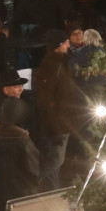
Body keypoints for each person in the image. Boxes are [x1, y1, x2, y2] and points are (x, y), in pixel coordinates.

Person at [33, 29, 78, 190]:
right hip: (56, 126)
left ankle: (53, 190)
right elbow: (45, 101)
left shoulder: (61, 62)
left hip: (62, 122)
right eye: (65, 42)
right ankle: (32, 186)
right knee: (55, 161)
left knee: (56, 162)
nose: (68, 44)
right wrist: (55, 128)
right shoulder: (50, 66)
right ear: (56, 46)